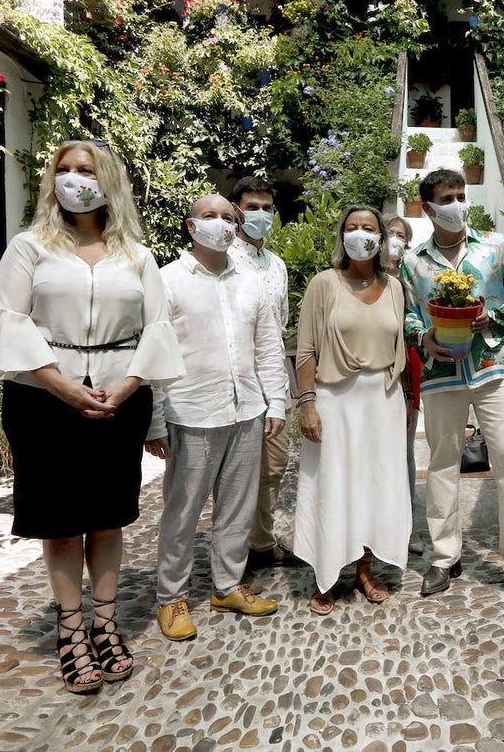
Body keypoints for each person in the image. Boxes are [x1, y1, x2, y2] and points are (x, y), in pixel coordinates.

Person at [0, 141, 185, 693]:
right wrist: (61, 385)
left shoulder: (136, 255)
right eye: (63, 170)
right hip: (43, 396)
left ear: (106, 180)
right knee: (61, 519)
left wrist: (130, 385)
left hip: (119, 395)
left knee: (107, 514)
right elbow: (10, 319)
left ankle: (106, 622)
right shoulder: (29, 247)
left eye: (84, 170)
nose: (73, 179)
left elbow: (157, 329)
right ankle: (71, 629)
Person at [145, 193, 288, 641]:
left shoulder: (250, 282)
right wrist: (153, 422)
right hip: (191, 412)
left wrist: (277, 401)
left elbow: (267, 346)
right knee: (183, 510)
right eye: (211, 216)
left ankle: (227, 585)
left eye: (229, 218)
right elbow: (153, 354)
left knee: (237, 508)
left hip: (246, 408)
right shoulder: (167, 281)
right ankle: (171, 597)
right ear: (191, 226)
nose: (222, 224)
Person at [400, 168, 504, 610]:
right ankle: (444, 557)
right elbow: (407, 315)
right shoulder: (412, 261)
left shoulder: (497, 246)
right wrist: (422, 337)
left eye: (461, 195)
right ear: (427, 208)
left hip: (493, 366)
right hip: (442, 375)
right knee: (442, 464)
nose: (457, 204)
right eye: (447, 198)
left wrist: (494, 319)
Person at [293, 205, 411, 615]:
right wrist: (307, 405)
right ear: (341, 234)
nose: (361, 234)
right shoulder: (323, 284)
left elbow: (402, 347)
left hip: (382, 400)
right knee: (331, 486)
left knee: (374, 486)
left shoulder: (394, 287)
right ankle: (326, 575)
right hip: (334, 401)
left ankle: (364, 569)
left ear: (381, 239)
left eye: (369, 228)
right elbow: (306, 349)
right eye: (352, 227)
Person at [227, 176, 300, 572]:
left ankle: (261, 541)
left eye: (267, 208)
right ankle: (233, 549)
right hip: (232, 382)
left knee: (272, 467)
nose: (260, 214)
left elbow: (281, 322)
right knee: (235, 471)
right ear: (236, 209)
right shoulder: (223, 259)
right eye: (252, 207)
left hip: (272, 381)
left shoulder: (278, 266)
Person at [384, 214, 427, 556]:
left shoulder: (408, 282)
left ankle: (408, 527)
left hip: (406, 379)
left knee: (404, 454)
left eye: (402, 236)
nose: (396, 241)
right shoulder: (364, 279)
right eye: (391, 234)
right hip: (370, 380)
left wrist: (411, 389)